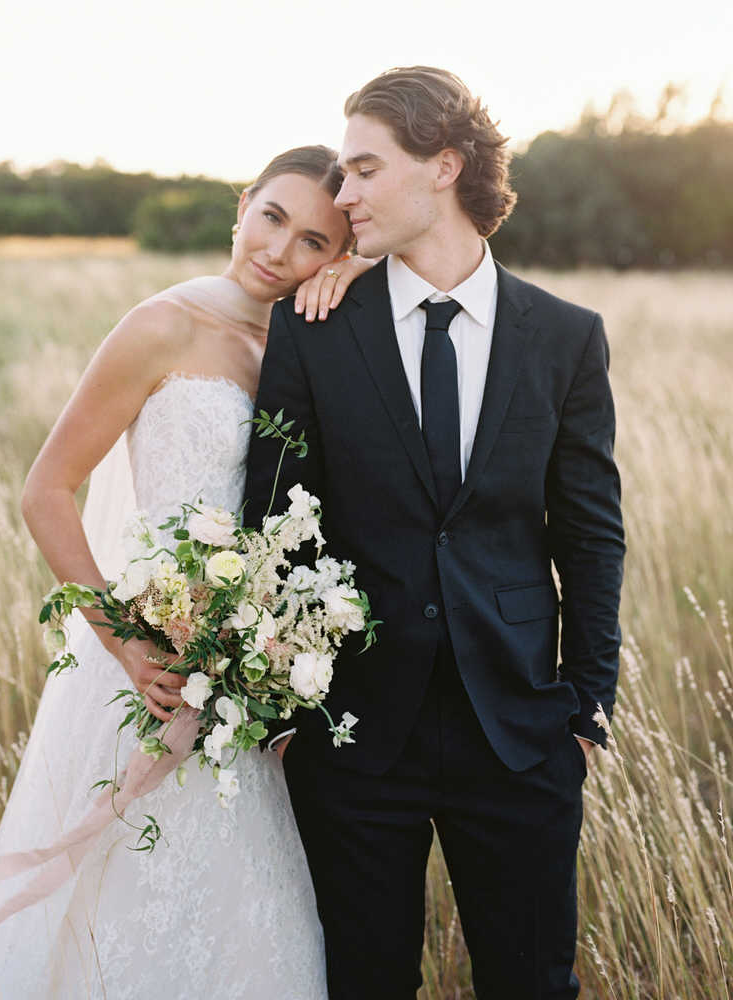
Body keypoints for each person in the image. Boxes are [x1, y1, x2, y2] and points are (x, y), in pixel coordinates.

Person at [244, 67, 625, 999]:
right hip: (357, 736)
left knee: (534, 981)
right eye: (342, 173)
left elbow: (591, 533)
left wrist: (585, 710)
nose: (343, 196)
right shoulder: (316, 329)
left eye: (364, 170)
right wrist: (292, 717)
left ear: (444, 166)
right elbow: (275, 519)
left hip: (523, 729)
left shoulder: (566, 337)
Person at [0, 145, 373, 1000]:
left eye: (315, 241)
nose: (280, 251)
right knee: (119, 892)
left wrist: (357, 274)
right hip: (147, 656)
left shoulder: (305, 344)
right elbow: (45, 491)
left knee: (248, 902)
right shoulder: (162, 324)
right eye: (272, 217)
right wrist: (127, 643)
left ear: (336, 257)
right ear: (241, 206)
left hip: (243, 671)